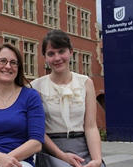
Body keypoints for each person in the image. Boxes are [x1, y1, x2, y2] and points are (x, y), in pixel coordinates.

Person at [31, 29, 106, 167]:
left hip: (83, 148)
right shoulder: (35, 87)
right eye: (51, 54)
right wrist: (62, 156)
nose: (57, 58)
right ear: (45, 57)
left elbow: (90, 127)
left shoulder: (85, 83)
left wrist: (96, 160)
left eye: (61, 51)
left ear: (70, 52)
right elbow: (38, 131)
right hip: (52, 151)